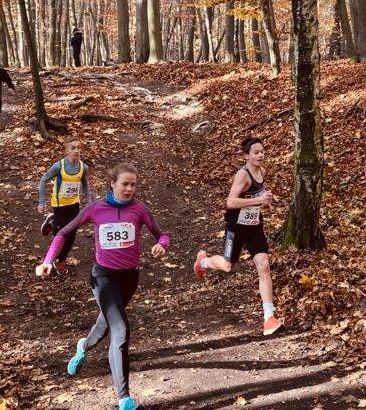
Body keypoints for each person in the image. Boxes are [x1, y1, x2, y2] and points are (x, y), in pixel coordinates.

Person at [36, 163, 168, 410]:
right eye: (125, 184)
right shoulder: (97, 208)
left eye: (133, 185)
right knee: (120, 329)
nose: (129, 189)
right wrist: (47, 261)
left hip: (129, 278)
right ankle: (124, 399)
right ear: (113, 184)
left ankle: (83, 346)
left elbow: (162, 234)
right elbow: (63, 232)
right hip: (103, 277)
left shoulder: (139, 209)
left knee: (106, 323)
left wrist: (162, 244)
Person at [193, 137, 283, 336]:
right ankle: (204, 262)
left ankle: (269, 318)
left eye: (262, 151)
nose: (261, 155)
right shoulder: (242, 175)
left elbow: (257, 199)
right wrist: (259, 199)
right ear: (246, 156)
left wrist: (266, 204)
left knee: (264, 266)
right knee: (228, 266)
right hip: (236, 227)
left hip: (254, 226)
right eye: (256, 152)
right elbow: (230, 202)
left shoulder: (262, 172)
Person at [37, 138, 93, 275]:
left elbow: (85, 184)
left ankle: (60, 260)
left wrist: (89, 202)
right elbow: (44, 180)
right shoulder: (59, 166)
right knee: (59, 234)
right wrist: (41, 202)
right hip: (59, 204)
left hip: (74, 204)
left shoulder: (83, 167)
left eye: (79, 147)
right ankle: (53, 221)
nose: (76, 151)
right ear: (66, 151)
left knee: (72, 235)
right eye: (73, 148)